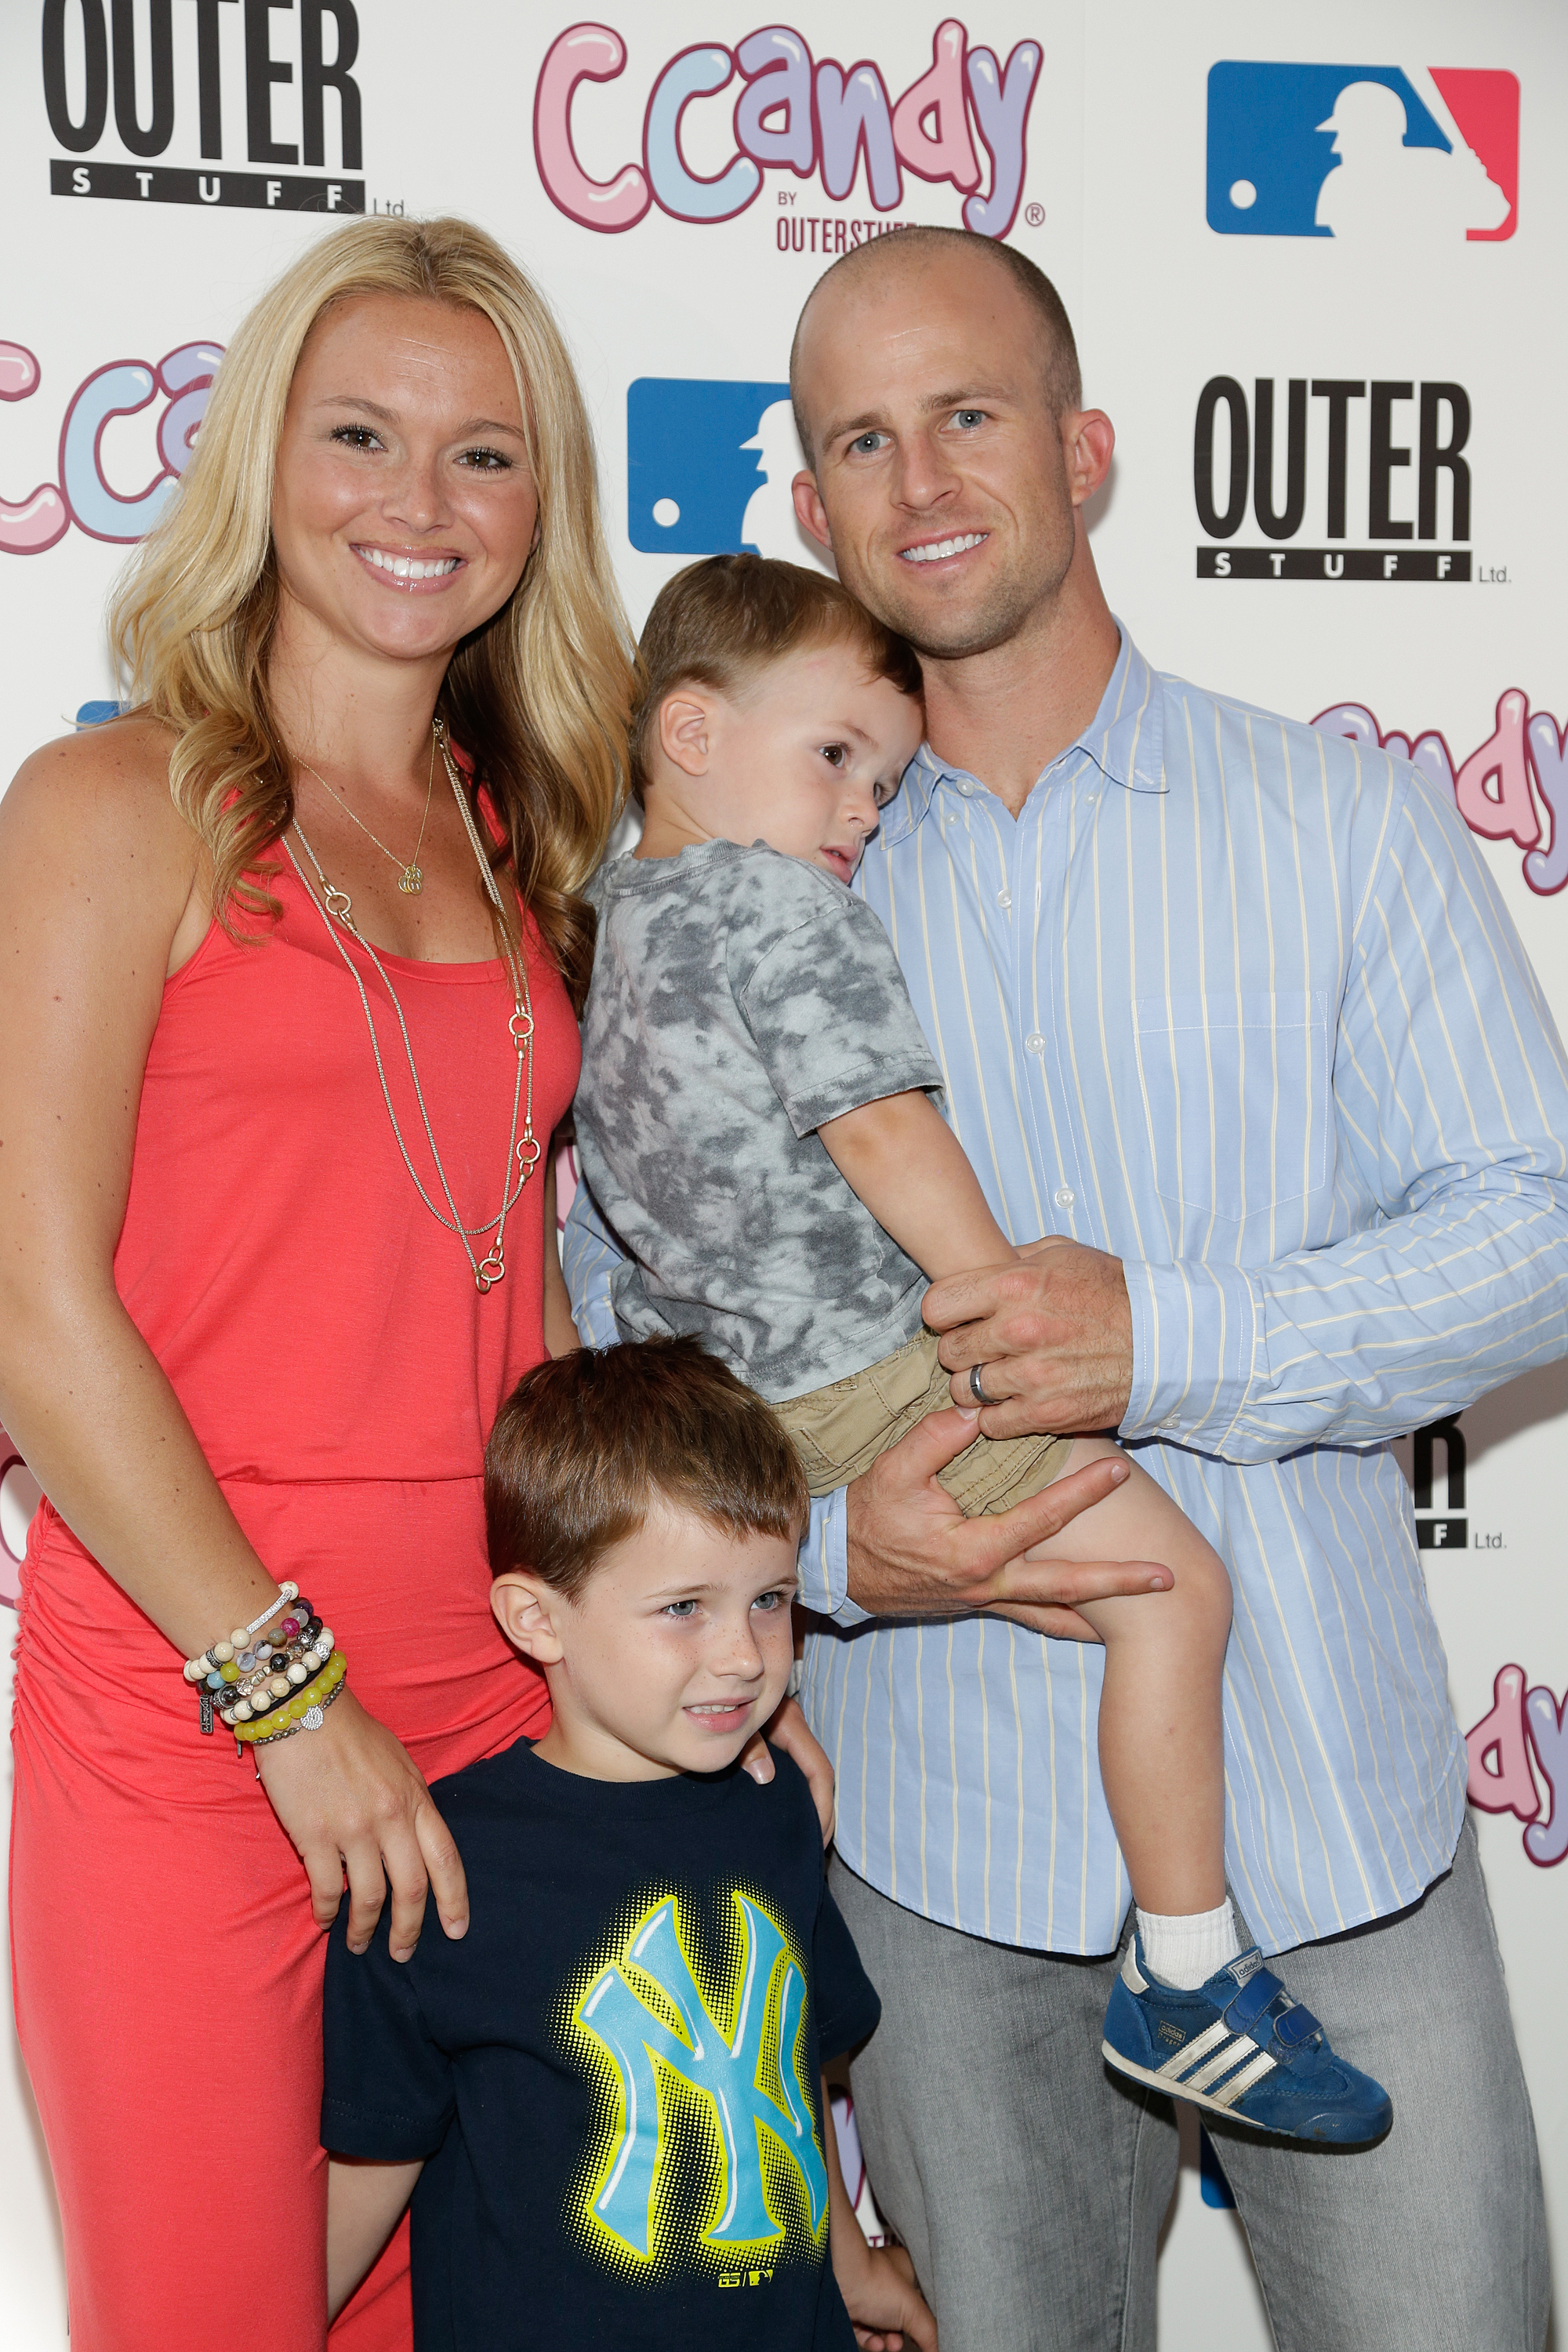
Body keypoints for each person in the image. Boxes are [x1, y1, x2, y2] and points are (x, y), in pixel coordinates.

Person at [568, 226, 1564, 2351]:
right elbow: (622, 1316)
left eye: (968, 412)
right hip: (938, 1886)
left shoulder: (1344, 824)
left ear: (1086, 446)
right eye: (860, 437)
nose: (919, 477)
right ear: (809, 507)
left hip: (1326, 1840)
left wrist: (1170, 1336)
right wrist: (830, 1552)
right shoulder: (759, 869)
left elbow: (1535, 1225)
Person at [0, 214, 825, 2352]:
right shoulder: (110, 805)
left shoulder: (510, 831)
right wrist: (284, 1698)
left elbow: (513, 1310)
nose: (417, 501)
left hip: (493, 1686)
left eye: (485, 457)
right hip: (200, 1703)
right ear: (264, 460)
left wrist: (690, 1648)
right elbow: (28, 1308)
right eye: (360, 433)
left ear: (541, 503)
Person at [572, 550, 1388, 2144]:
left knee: (1087, 1606)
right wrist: (1003, 1304)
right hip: (889, 1375)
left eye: (879, 783)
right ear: (686, 732)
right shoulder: (774, 901)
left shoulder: (608, 929)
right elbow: (879, 1129)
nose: (860, 815)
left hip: (740, 1426)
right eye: (832, 759)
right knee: (1178, 1597)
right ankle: (1190, 1974)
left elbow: (612, 1229)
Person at [321, 1338, 938, 2352]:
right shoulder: (444, 1864)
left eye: (770, 1602)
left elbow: (785, 2074)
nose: (743, 1657)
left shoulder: (778, 1808)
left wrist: (859, 2271)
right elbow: (373, 2160)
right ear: (537, 1618)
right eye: (683, 1609)